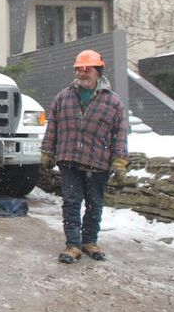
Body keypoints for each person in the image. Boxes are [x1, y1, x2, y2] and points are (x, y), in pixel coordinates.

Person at [40, 49, 128, 264]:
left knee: (94, 203)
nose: (81, 74)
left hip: (98, 161)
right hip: (69, 158)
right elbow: (53, 127)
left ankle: (90, 241)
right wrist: (47, 151)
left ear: (98, 71)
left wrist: (120, 160)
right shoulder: (63, 97)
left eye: (86, 70)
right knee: (71, 202)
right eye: (78, 70)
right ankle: (73, 245)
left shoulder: (113, 102)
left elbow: (120, 133)